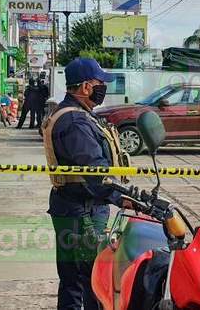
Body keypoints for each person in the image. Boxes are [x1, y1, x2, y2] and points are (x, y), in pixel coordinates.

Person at [42, 58, 131, 310]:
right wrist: (121, 197)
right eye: (100, 83)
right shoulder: (75, 123)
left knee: (77, 277)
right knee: (90, 279)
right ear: (85, 87)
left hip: (80, 205)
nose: (104, 88)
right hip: (80, 209)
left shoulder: (78, 115)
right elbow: (95, 171)